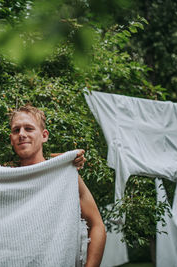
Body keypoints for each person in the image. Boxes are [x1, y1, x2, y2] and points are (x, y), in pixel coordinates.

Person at [9, 104, 106, 267]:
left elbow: (97, 225)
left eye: (29, 128)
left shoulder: (65, 175)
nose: (22, 134)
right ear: (11, 138)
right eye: (16, 130)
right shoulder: (4, 175)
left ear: (44, 135)